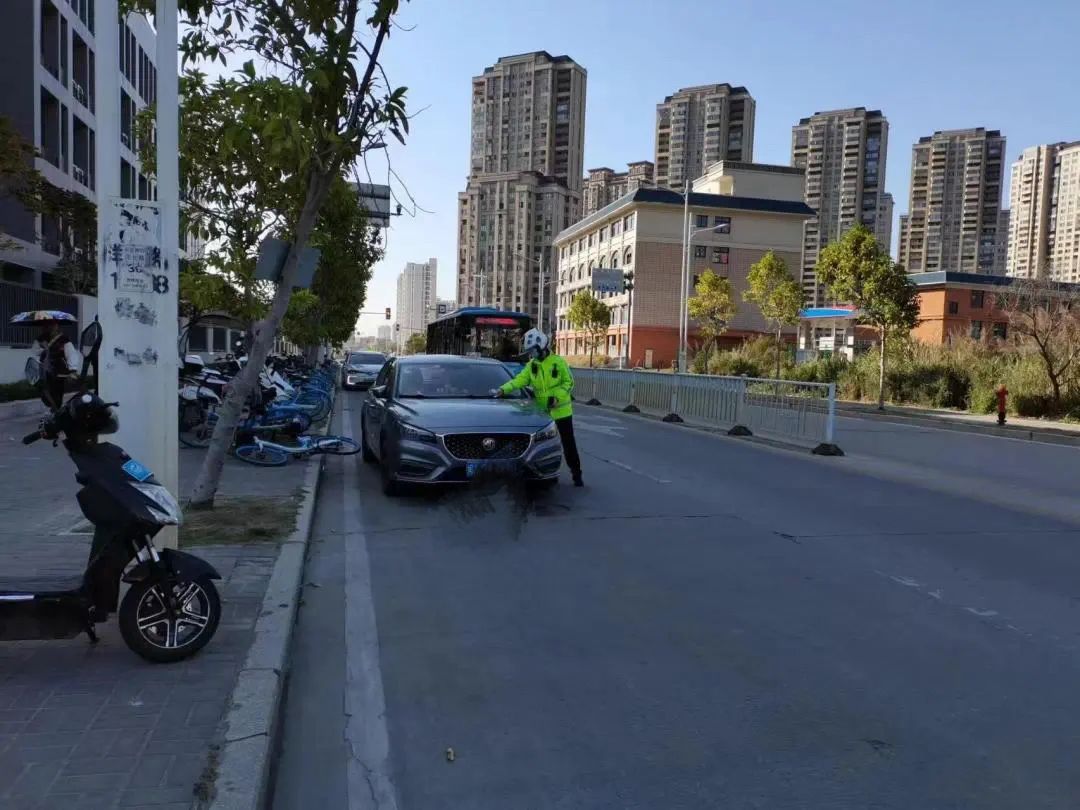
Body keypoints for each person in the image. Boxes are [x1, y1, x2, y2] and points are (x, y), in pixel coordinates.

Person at [496, 329, 583, 487]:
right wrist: (503, 389)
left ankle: (576, 474)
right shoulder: (532, 365)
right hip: (542, 414)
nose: (532, 354)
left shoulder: (558, 362)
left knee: (569, 445)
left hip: (562, 412)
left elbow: (568, 382)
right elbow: (519, 380)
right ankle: (542, 472)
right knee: (542, 446)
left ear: (542, 346)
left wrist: (556, 397)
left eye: (534, 350)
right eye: (530, 351)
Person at [36, 318, 81, 411]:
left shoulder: (64, 339)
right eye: (48, 325)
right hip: (44, 372)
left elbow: (71, 354)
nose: (51, 327)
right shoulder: (41, 339)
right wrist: (43, 348)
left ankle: (56, 412)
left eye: (53, 325)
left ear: (57, 326)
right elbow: (35, 352)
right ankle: (54, 410)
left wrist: (73, 370)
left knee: (57, 396)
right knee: (45, 394)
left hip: (59, 373)